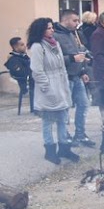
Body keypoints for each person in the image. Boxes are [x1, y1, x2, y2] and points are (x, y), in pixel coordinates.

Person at [27, 18, 78, 164]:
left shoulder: (56, 44)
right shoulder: (37, 46)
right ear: (41, 30)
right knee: (48, 121)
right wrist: (46, 88)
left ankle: (64, 147)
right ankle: (49, 150)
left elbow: (61, 66)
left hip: (61, 85)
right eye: (48, 28)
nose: (52, 30)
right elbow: (37, 70)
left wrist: (64, 84)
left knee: (63, 119)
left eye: (52, 28)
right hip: (48, 87)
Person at [54, 9, 94, 147]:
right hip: (65, 78)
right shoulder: (55, 36)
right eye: (74, 20)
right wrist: (72, 58)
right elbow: (55, 59)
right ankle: (64, 135)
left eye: (78, 20)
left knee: (83, 104)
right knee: (65, 109)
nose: (77, 23)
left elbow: (78, 52)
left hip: (77, 76)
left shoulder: (73, 34)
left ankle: (80, 134)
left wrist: (83, 70)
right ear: (65, 20)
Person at [5, 36, 34, 113]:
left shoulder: (23, 56)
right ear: (15, 47)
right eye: (22, 45)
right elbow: (21, 73)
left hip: (31, 78)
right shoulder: (14, 59)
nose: (25, 46)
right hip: (25, 82)